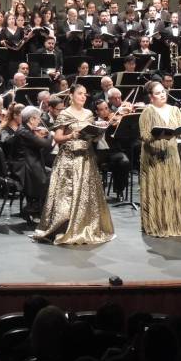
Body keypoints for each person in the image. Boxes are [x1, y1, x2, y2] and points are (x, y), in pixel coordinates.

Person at [32, 84, 115, 245]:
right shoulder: (65, 113)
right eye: (80, 93)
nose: (83, 96)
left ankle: (84, 226)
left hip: (86, 158)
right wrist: (71, 135)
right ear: (71, 95)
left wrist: (98, 133)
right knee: (67, 195)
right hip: (68, 159)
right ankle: (64, 228)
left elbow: (92, 138)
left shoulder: (89, 113)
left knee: (86, 195)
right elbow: (57, 138)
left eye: (85, 94)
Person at [138, 81, 181, 237]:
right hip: (153, 156)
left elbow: (180, 133)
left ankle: (174, 223)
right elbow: (144, 136)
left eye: (163, 91)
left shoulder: (175, 110)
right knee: (157, 189)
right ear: (151, 97)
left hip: (171, 154)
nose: (162, 95)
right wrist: (158, 135)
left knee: (172, 188)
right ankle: (157, 224)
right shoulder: (147, 111)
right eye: (157, 93)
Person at [11, 106, 53, 222]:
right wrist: (50, 134)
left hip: (29, 162)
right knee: (49, 178)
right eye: (38, 118)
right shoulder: (24, 132)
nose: (39, 121)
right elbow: (45, 144)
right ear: (31, 119)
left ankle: (37, 208)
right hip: (24, 167)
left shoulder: (26, 130)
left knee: (52, 174)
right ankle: (32, 208)